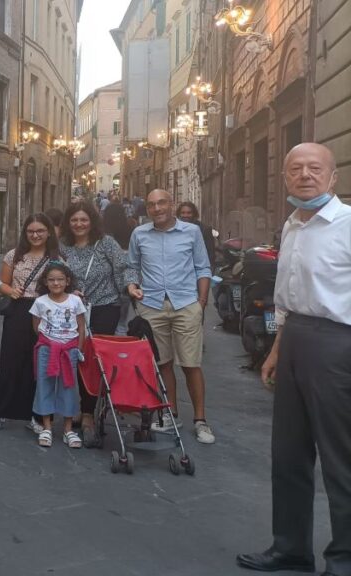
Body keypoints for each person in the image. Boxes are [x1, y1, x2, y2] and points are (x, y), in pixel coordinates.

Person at [238, 143, 351, 576]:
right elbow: (287, 300)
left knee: (341, 457)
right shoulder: (292, 225)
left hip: (338, 343)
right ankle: (290, 547)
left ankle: (344, 560)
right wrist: (277, 349)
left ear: (332, 177)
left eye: (315, 168)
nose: (305, 175)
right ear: (285, 177)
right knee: (288, 453)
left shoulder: (345, 224)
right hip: (296, 338)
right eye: (296, 169)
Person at [126, 189, 215, 444]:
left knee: (190, 364)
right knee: (162, 363)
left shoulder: (191, 232)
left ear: (171, 204)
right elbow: (131, 266)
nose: (157, 208)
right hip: (151, 305)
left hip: (186, 303)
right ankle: (169, 413)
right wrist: (132, 286)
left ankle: (201, 421)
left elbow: (203, 267)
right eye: (152, 205)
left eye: (162, 203)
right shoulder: (139, 234)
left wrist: (201, 302)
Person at [0, 213, 59, 433]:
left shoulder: (56, 258)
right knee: (10, 361)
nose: (35, 235)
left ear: (48, 232)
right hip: (18, 310)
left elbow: (61, 284)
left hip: (45, 312)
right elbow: (1, 283)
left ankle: (36, 416)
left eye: (40, 231)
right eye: (31, 231)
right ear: (25, 233)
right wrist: (10, 290)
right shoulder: (14, 256)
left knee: (38, 366)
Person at [59, 201, 128, 446]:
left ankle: (89, 412)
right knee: (77, 356)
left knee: (94, 358)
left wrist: (130, 288)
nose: (79, 224)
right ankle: (82, 406)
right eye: (74, 220)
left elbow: (123, 267)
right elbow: (54, 274)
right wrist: (67, 292)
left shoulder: (106, 243)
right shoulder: (63, 246)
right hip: (74, 310)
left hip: (104, 307)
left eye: (83, 220)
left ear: (92, 222)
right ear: (68, 222)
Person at [30, 261, 87, 448]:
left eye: (60, 280)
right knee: (44, 385)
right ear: (45, 282)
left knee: (68, 387)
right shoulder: (40, 302)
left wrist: (78, 348)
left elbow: (81, 326)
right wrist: (49, 342)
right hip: (47, 348)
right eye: (52, 280)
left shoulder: (75, 301)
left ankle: (68, 429)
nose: (56, 283)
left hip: (69, 349)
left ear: (67, 281)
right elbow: (36, 326)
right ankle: (46, 426)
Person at [102, 202, 136, 336]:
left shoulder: (103, 231)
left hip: (108, 282)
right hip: (126, 280)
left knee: (110, 319)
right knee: (123, 319)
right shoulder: (130, 227)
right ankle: (121, 343)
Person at [176, 201, 217, 270]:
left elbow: (210, 255)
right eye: (183, 213)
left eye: (189, 213)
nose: (185, 215)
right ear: (179, 214)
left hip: (198, 269)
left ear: (194, 214)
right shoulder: (176, 229)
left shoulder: (204, 229)